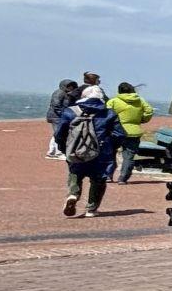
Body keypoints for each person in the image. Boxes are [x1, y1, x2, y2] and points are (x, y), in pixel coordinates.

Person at [54, 87, 123, 217]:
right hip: (101, 152)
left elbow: (59, 134)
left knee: (75, 173)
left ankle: (73, 194)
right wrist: (111, 147)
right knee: (99, 179)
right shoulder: (109, 113)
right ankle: (91, 208)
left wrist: (65, 148)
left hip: (76, 149)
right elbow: (119, 134)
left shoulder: (70, 111)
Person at [108, 82, 155, 182]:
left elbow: (106, 114)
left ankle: (108, 175)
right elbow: (149, 111)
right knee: (129, 156)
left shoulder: (113, 101)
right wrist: (142, 119)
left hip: (115, 131)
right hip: (133, 131)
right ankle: (123, 178)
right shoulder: (140, 100)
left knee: (110, 153)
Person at [44, 79, 78, 159]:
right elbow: (56, 105)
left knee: (57, 133)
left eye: (72, 86)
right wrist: (64, 114)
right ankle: (58, 153)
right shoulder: (59, 93)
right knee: (59, 134)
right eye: (69, 86)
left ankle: (51, 152)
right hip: (56, 116)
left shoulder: (69, 95)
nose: (71, 87)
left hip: (60, 116)